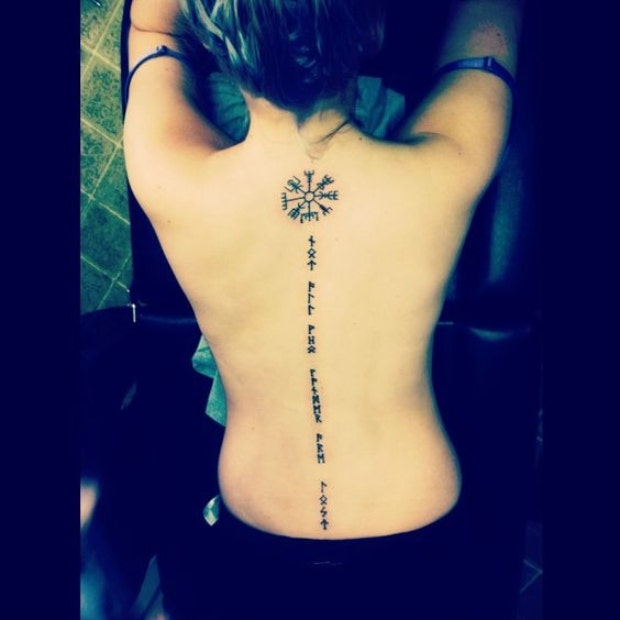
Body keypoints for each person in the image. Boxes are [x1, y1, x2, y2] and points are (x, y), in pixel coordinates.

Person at [123, 1, 523, 618]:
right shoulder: (447, 166)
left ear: (214, 31)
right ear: (373, 27)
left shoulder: (168, 175)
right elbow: (494, 18)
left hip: (254, 536)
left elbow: (150, 24)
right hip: (419, 528)